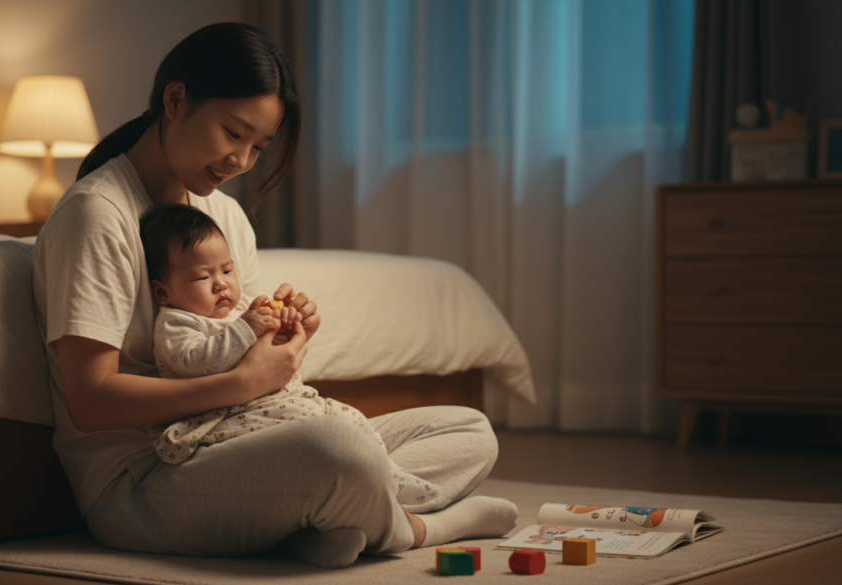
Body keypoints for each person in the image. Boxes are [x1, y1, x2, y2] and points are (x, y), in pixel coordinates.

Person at [32, 22, 517, 569]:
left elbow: (248, 354)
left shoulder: (225, 214)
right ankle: (419, 528)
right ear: (176, 100)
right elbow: (90, 401)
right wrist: (242, 382)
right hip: (144, 477)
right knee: (337, 450)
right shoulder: (96, 214)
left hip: (241, 436)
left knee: (469, 431)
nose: (242, 161)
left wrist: (286, 332)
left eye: (258, 147)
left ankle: (313, 526)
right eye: (233, 133)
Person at [139, 203, 438, 506]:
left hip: (279, 401)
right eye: (202, 278)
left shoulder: (240, 310)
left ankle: (386, 473)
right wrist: (246, 329)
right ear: (163, 292)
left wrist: (282, 333)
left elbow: (264, 358)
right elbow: (195, 362)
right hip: (225, 416)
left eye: (227, 270)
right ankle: (372, 485)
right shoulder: (176, 323)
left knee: (350, 418)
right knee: (319, 430)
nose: (221, 284)